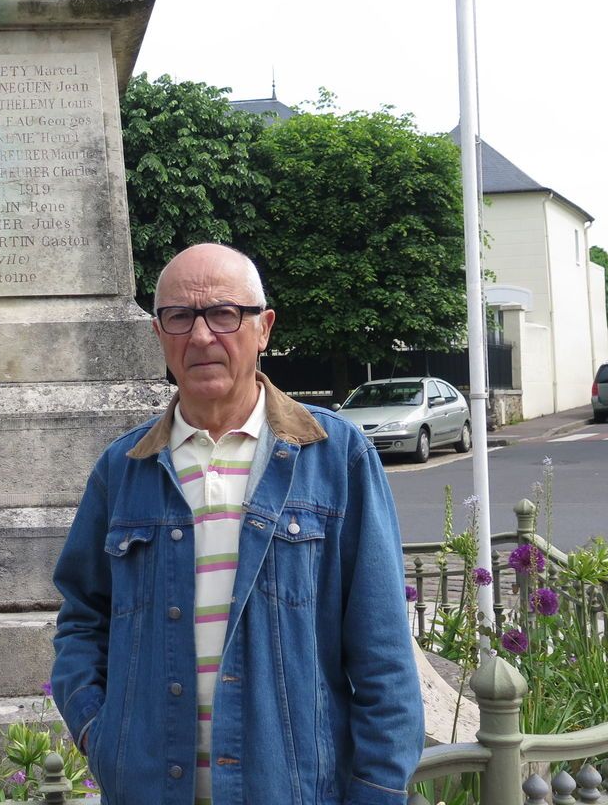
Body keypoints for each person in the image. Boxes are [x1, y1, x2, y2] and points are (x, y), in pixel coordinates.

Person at [51, 243, 424, 805]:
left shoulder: (335, 458)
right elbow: (81, 620)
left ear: (264, 328)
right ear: (159, 334)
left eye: (224, 314)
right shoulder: (122, 471)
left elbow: (383, 653)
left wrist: (376, 789)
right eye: (179, 317)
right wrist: (100, 734)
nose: (201, 337)